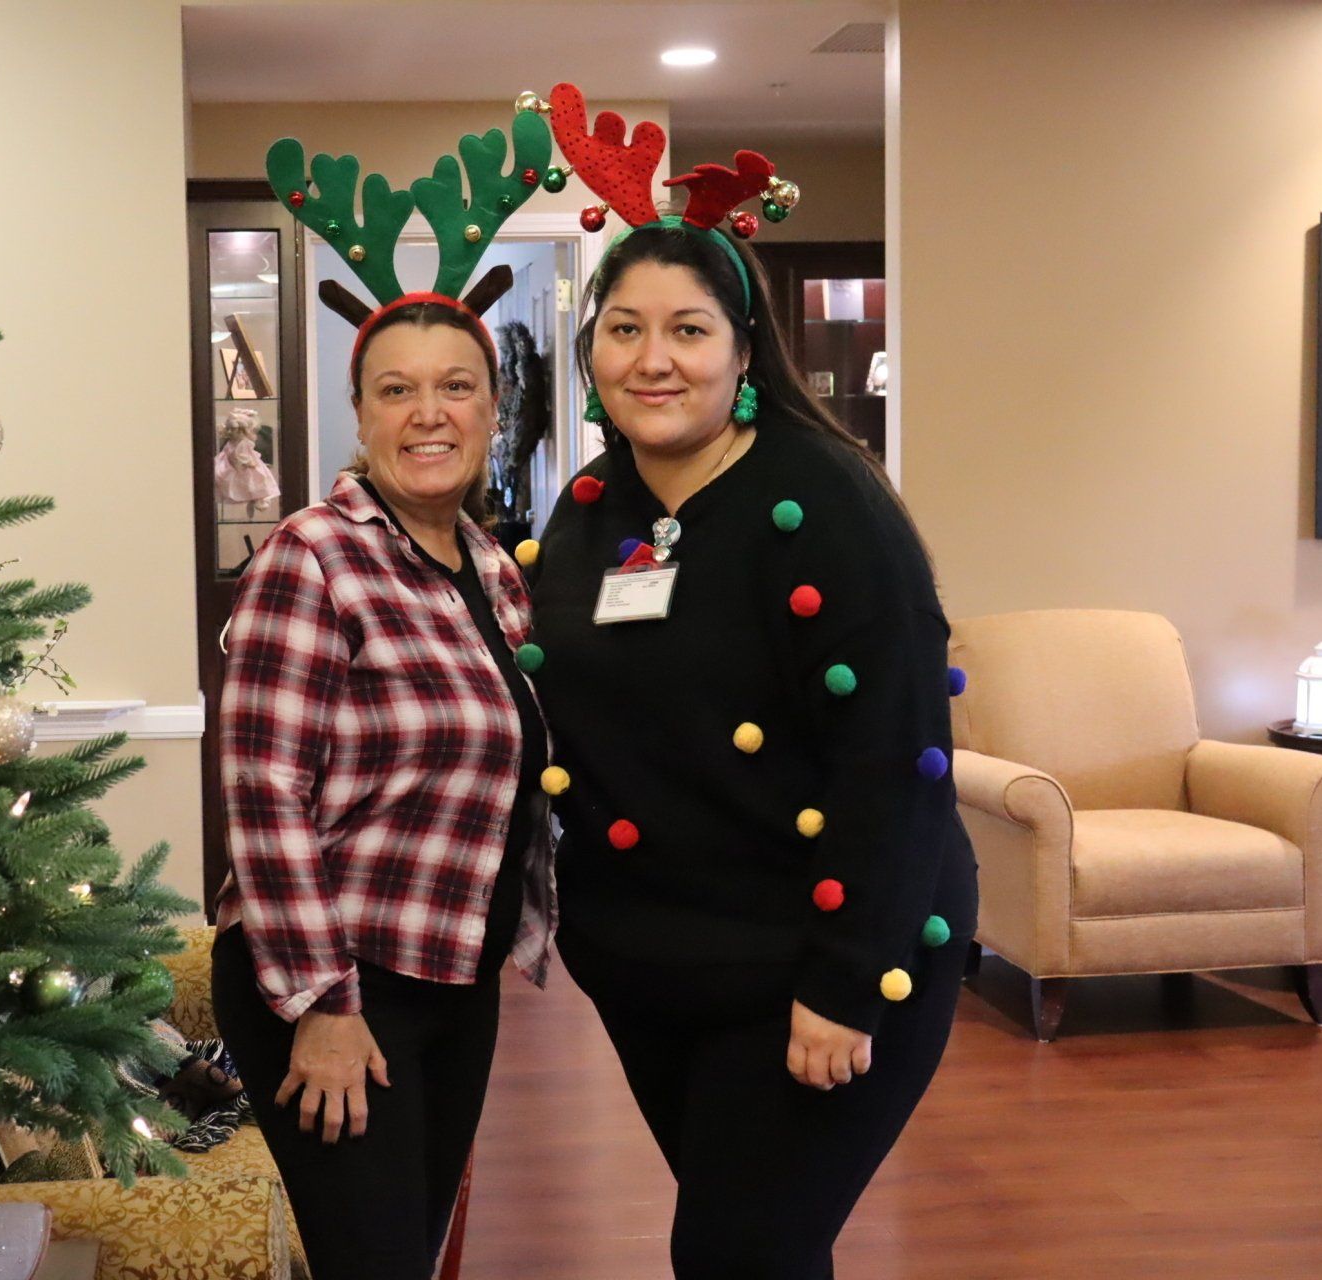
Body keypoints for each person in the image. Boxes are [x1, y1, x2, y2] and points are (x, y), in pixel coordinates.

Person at [521, 83, 977, 1279]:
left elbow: (896, 757)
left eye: (686, 329)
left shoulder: (830, 504)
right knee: (763, 1242)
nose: (653, 358)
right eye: (623, 328)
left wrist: (846, 984)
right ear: (591, 350)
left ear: (741, 348)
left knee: (736, 1246)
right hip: (652, 970)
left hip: (822, 959)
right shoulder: (584, 520)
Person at [210, 114, 555, 1280]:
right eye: (397, 389)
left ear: (492, 409)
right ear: (359, 415)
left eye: (458, 386)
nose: (430, 412)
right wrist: (319, 999)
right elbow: (263, 792)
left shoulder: (495, 571)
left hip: (452, 970)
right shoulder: (310, 558)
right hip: (338, 978)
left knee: (408, 1249)